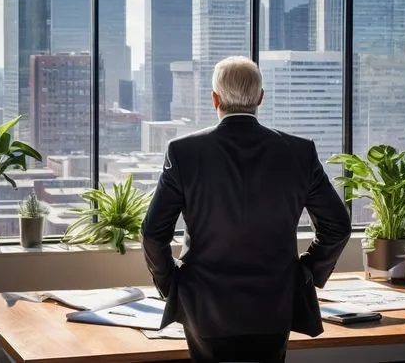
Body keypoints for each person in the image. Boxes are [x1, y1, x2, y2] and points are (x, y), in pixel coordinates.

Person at [141, 56, 351, 362]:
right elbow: (338, 227)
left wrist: (171, 284)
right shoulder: (299, 152)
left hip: (205, 306)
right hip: (275, 305)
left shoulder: (183, 153)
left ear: (215, 99)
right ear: (260, 98)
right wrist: (305, 271)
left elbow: (152, 234)